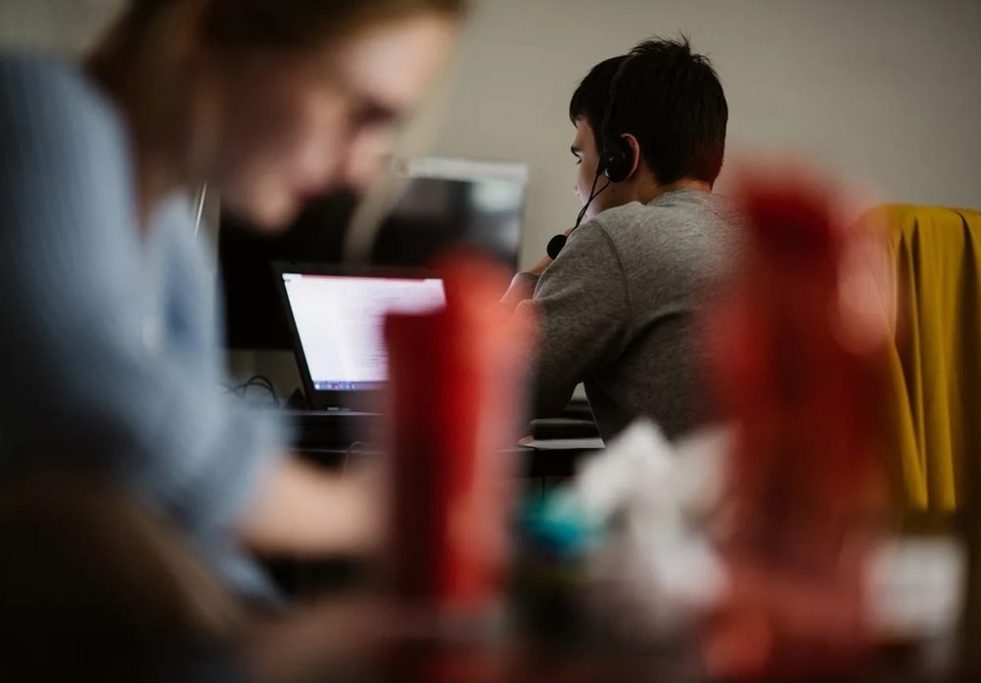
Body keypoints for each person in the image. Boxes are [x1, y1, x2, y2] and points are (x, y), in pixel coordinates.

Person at [0, 0, 465, 604]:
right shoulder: (36, 107)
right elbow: (102, 404)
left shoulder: (173, 240)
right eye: (362, 112)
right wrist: (365, 511)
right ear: (212, 29)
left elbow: (189, 534)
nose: (362, 171)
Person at [503, 37, 742, 442]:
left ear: (620, 158)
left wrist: (532, 275)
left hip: (688, 506)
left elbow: (499, 392)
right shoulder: (756, 236)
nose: (576, 185)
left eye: (581, 157)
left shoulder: (616, 239)